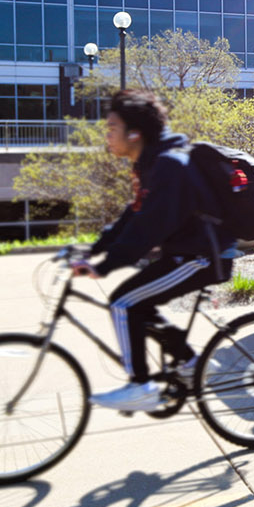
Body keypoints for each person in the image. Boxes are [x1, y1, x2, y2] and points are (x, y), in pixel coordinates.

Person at [71, 89, 231, 411]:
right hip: (185, 253)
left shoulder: (169, 165)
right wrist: (93, 249)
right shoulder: (153, 163)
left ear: (134, 132)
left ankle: (140, 386)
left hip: (201, 257)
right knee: (140, 306)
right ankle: (192, 363)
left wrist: (104, 266)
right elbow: (135, 214)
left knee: (123, 302)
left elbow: (148, 229)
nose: (107, 136)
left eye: (112, 128)